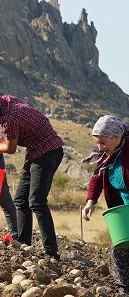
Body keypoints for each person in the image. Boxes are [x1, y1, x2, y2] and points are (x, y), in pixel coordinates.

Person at [0, 87, 63, 259]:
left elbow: (9, 149)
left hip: (48, 151)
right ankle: (23, 244)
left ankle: (52, 252)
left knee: (36, 201)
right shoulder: (5, 100)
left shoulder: (9, 118)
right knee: (21, 199)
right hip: (36, 152)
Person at [82, 115, 129, 294]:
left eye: (103, 143)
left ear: (116, 138)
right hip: (124, 211)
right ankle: (124, 290)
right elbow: (97, 177)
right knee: (119, 249)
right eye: (97, 143)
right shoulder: (106, 155)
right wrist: (90, 202)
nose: (100, 148)